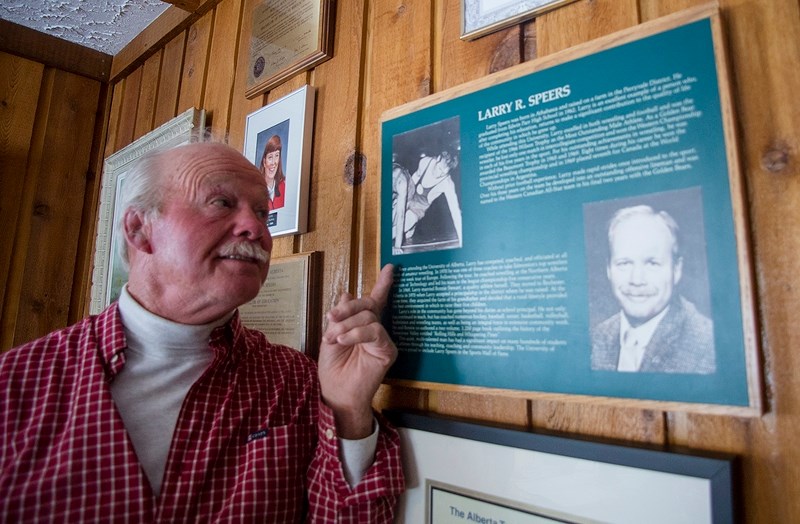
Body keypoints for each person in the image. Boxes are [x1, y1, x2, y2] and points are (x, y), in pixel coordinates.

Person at [0, 142, 404, 522]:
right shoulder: (17, 385)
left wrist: (349, 409)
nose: (256, 229)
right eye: (222, 203)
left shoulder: (295, 382)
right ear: (140, 228)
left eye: (263, 213)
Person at [591, 204, 715, 374]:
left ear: (676, 269)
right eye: (624, 263)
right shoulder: (596, 337)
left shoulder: (708, 345)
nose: (636, 280)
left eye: (652, 263)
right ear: (608, 269)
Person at [392, 150, 462, 254]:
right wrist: (403, 196)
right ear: (437, 158)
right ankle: (409, 228)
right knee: (395, 217)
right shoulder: (425, 162)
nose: (439, 173)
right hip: (411, 192)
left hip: (420, 206)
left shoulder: (447, 184)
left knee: (401, 227)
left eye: (444, 172)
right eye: (439, 168)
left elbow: (455, 211)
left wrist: (462, 240)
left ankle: (410, 225)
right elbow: (415, 177)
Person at [260, 134, 286, 210]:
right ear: (264, 162)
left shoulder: (284, 187)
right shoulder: (255, 191)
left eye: (277, 156)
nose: (273, 162)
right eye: (270, 157)